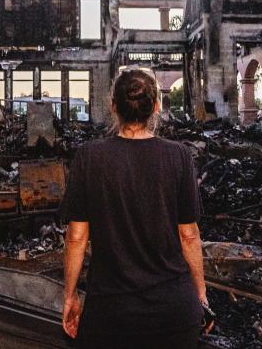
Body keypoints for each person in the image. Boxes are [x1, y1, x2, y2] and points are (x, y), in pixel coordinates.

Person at [59, 68, 206, 349]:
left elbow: (77, 237)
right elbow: (189, 235)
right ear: (157, 106)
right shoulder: (179, 156)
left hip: (111, 314)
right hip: (173, 312)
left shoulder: (90, 157)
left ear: (114, 107)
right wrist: (200, 294)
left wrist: (70, 296)